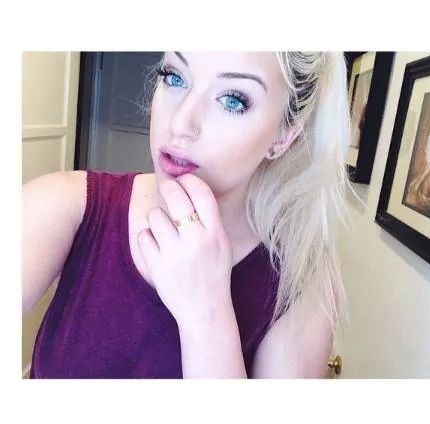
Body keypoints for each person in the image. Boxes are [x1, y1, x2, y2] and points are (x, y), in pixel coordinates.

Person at [22, 51, 352, 378]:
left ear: (284, 134)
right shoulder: (64, 203)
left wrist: (206, 315)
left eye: (233, 101)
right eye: (175, 77)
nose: (180, 123)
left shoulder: (302, 280)